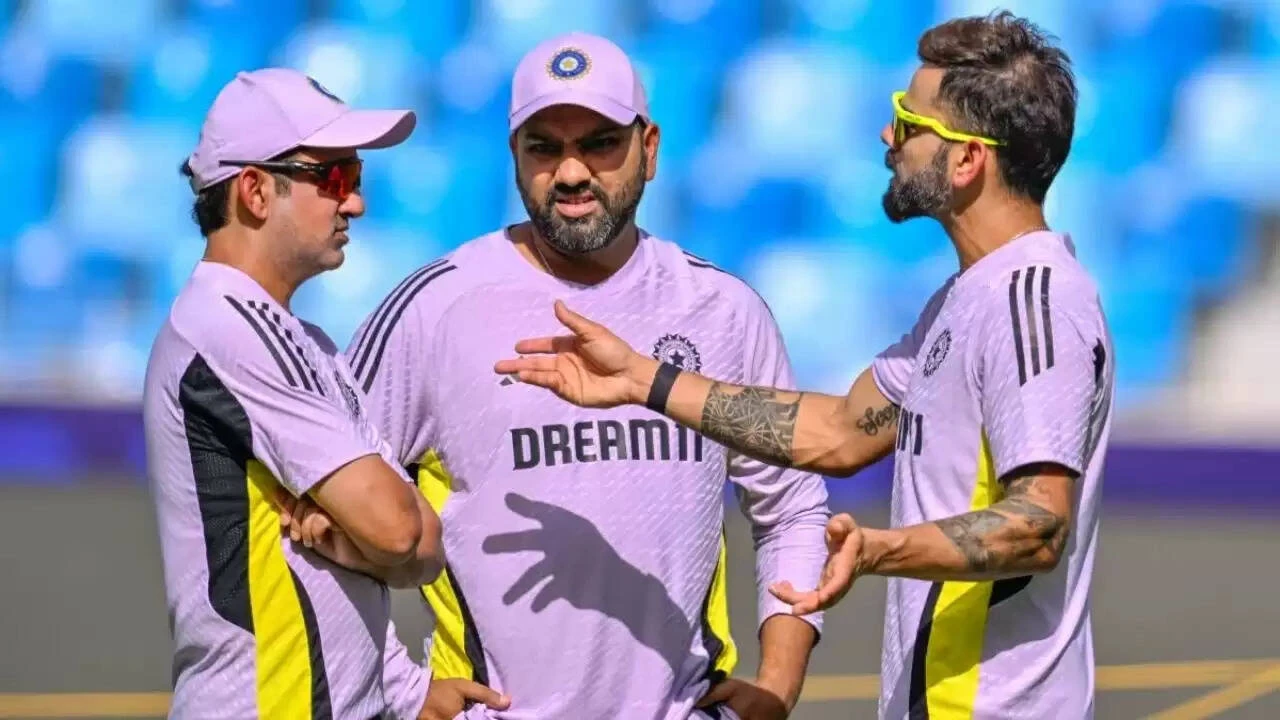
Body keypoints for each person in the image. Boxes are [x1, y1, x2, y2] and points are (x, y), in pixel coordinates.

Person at [496, 12, 1114, 720]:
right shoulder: (963, 300)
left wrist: (880, 550)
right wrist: (645, 380)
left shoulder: (1033, 300)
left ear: (968, 159)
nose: (888, 137)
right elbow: (841, 432)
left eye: (908, 121)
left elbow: (1038, 523)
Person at [355, 32, 831, 720]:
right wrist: (401, 687)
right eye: (544, 147)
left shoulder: (723, 310)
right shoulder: (432, 309)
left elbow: (792, 507)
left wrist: (779, 684)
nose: (572, 172)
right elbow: (315, 513)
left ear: (650, 148)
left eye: (601, 143)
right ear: (514, 156)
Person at [142, 67, 453, 719]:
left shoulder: (307, 343)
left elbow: (423, 547)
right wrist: (376, 537)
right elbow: (401, 531)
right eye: (335, 178)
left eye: (356, 177)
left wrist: (359, 539)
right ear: (255, 190)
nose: (355, 203)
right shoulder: (231, 325)